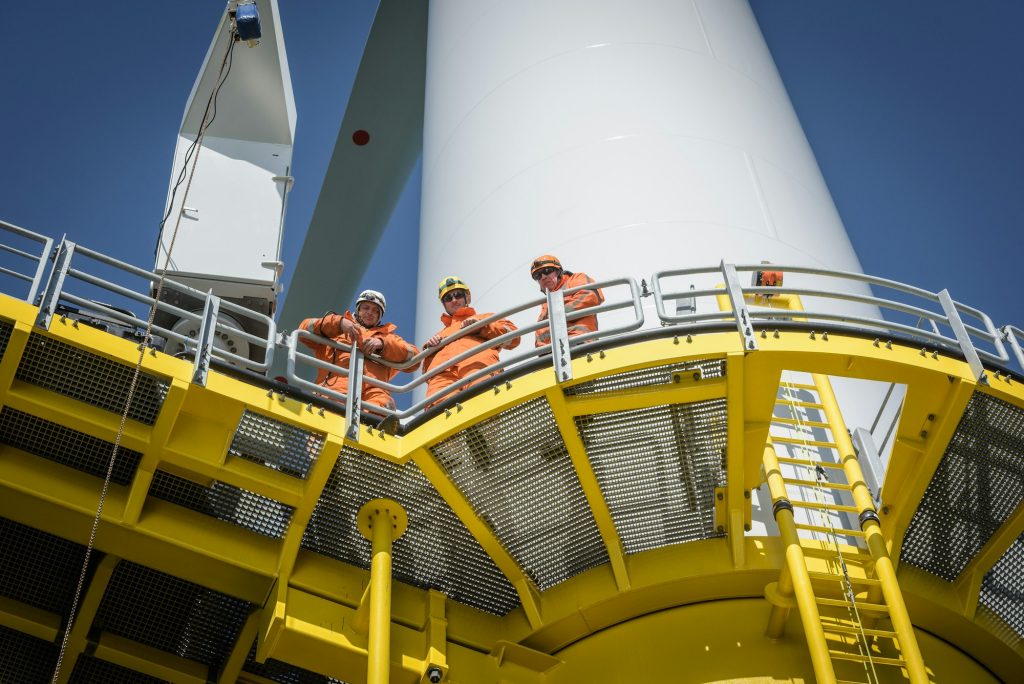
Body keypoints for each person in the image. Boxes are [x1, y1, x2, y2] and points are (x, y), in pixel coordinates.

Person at [298, 289, 417, 410]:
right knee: (336, 401)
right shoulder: (336, 330)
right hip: (336, 388)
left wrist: (383, 344)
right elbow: (304, 329)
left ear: (380, 317)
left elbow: (414, 358)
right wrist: (339, 323)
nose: (370, 313)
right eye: (366, 308)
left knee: (386, 405)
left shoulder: (388, 338)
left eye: (376, 311)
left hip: (374, 394)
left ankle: (376, 423)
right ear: (358, 309)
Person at [422, 276, 520, 399]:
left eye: (457, 295)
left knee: (482, 397)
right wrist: (429, 351)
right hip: (442, 377)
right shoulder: (439, 336)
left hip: (476, 365)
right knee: (438, 409)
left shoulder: (485, 318)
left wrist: (482, 327)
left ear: (467, 297)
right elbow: (427, 373)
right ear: (444, 304)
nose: (453, 300)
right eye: (448, 298)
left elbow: (514, 338)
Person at [531, 254, 604, 347]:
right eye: (538, 276)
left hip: (580, 342)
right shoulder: (546, 304)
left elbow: (591, 296)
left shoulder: (575, 279)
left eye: (547, 271)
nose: (543, 277)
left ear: (558, 272)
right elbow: (541, 333)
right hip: (552, 353)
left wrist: (560, 312)